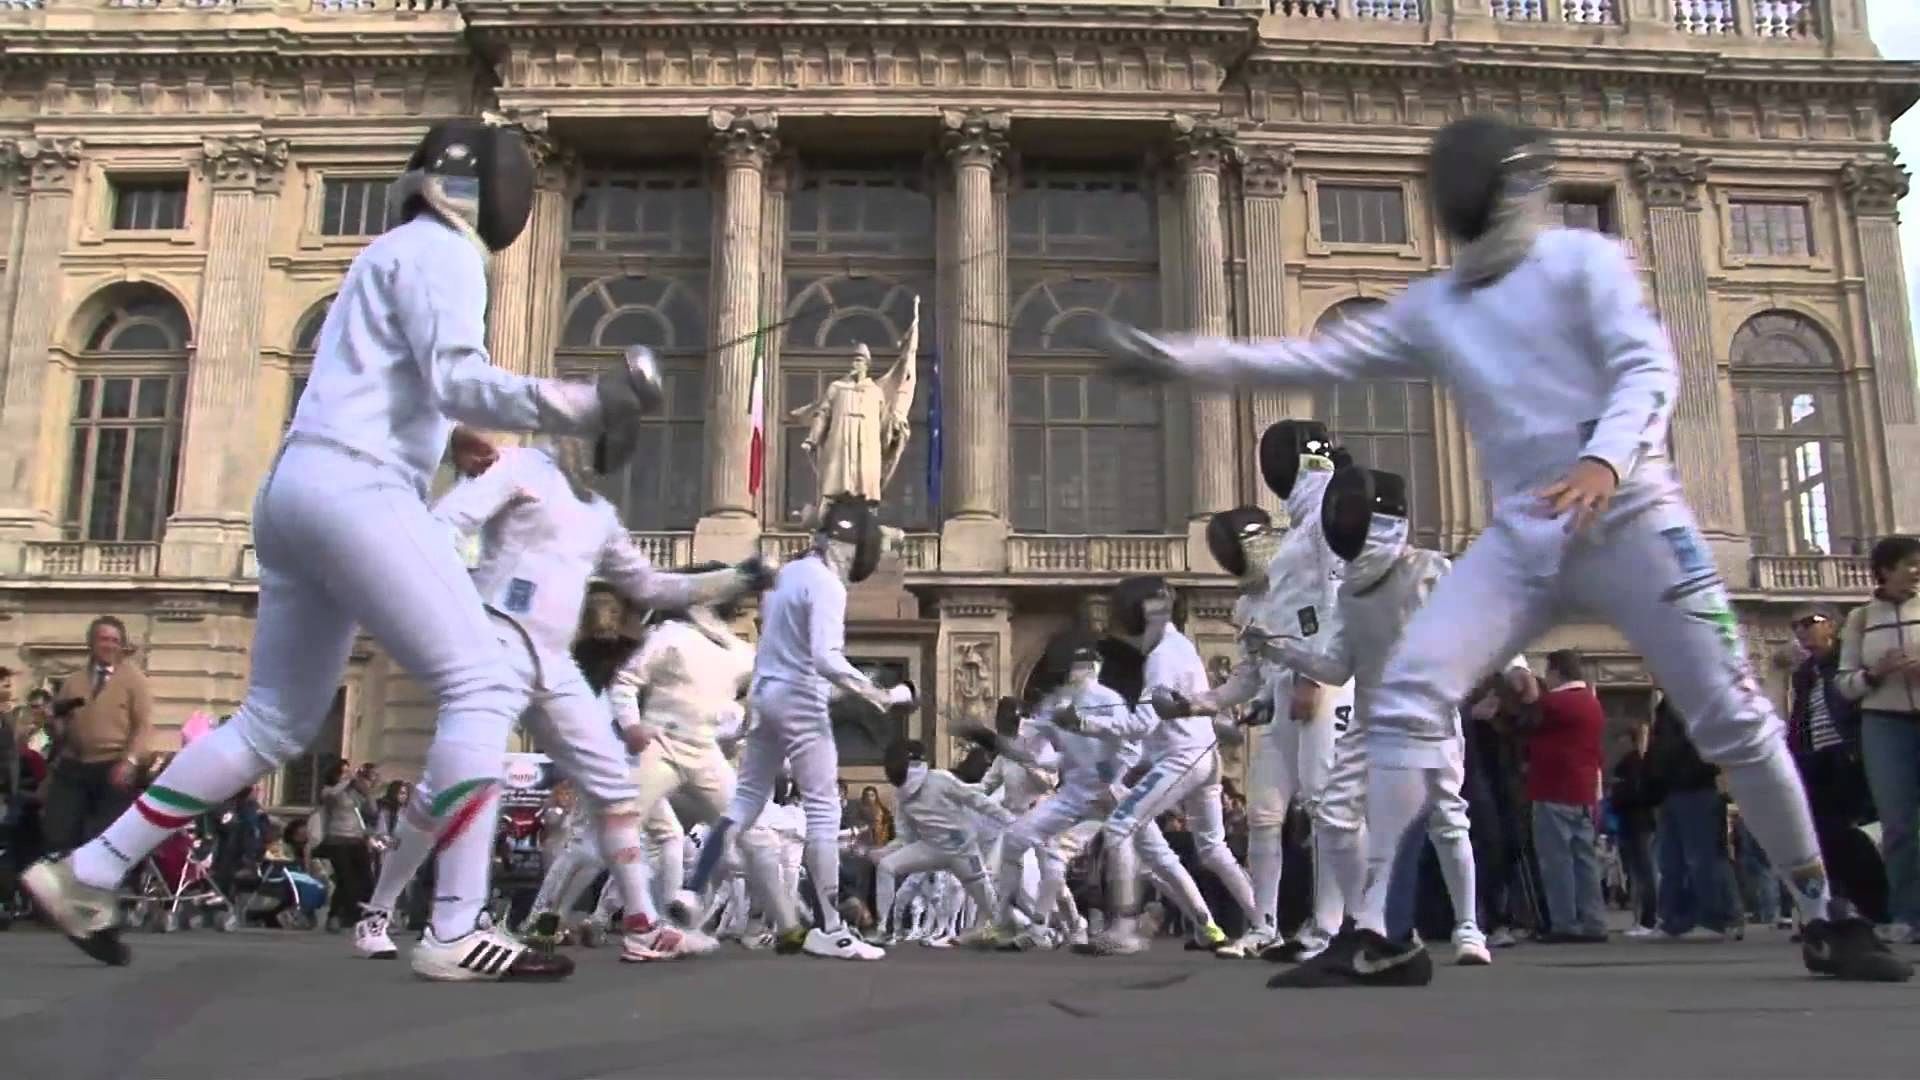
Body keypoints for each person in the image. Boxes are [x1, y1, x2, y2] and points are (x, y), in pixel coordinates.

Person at [1091, 113, 1908, 983]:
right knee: (1407, 694)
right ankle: (1381, 933)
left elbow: (1647, 368)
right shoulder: (1439, 305)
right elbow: (1310, 357)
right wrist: (1174, 358)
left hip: (1636, 519)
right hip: (1524, 536)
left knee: (1733, 716)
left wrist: (1605, 458)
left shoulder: (1583, 263)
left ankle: (1825, 910)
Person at [25, 119, 670, 980]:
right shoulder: (447, 251)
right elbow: (458, 378)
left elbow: (398, 388)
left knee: (272, 721)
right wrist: (589, 404)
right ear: (486, 189)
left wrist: (456, 441)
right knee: (482, 680)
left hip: (296, 489)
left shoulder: (382, 253)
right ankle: (455, 928)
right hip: (361, 491)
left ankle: (89, 871)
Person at [357, 438, 768, 968]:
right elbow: (445, 525)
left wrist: (737, 578)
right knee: (443, 792)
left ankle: (641, 926)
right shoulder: (520, 467)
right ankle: (380, 911)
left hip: (551, 662)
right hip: (494, 642)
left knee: (614, 784)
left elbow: (650, 585)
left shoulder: (600, 515)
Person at [1203, 467, 1487, 986]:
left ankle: (1468, 929)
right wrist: (1279, 649)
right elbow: (1335, 666)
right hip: (1368, 721)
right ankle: (1368, 929)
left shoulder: (1428, 570)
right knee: (1333, 816)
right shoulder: (1352, 592)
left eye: (1354, 515)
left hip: (1423, 716)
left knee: (1447, 818)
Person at [680, 495, 909, 961]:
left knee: (744, 801)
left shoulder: (788, 575)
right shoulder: (827, 585)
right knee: (823, 809)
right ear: (850, 547)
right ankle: (831, 929)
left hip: (766, 696)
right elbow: (825, 658)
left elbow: (789, 652)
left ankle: (692, 889)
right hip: (800, 699)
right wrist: (881, 695)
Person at [1169, 420, 1355, 960]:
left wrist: (1312, 679)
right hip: (1284, 710)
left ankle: (1330, 925)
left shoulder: (1315, 539)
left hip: (1323, 689)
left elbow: (1335, 608)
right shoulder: (1250, 603)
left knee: (1324, 806)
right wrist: (1200, 703)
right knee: (1263, 815)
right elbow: (1250, 674)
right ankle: (1265, 925)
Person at [1061, 577, 1256, 954]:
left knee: (1120, 826)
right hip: (1202, 756)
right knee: (1212, 849)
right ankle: (1263, 923)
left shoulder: (1162, 658)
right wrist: (1143, 761)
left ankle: (1124, 930)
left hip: (1183, 757)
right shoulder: (1180, 646)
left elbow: (1143, 724)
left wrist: (1085, 723)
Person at [1835, 535, 1920, 944]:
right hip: (1884, 725)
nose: (1917, 571)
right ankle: (1906, 915)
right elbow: (1843, 684)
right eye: (1910, 564)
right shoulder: (1861, 618)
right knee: (1898, 825)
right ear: (1885, 570)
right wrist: (1876, 674)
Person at [871, 740, 1012, 947]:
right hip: (931, 849)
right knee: (886, 866)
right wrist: (885, 850)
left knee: (985, 896)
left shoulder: (939, 779)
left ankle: (1005, 930)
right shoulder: (901, 796)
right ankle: (883, 929)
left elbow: (976, 800)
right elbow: (905, 837)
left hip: (963, 851)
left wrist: (1010, 820)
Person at [40, 617, 154, 855]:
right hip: (74, 765)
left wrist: (129, 762)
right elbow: (62, 731)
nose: (109, 645)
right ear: (91, 642)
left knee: (104, 836)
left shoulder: (135, 680)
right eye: (104, 639)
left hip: (113, 765)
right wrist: (51, 721)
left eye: (115, 640)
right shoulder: (73, 682)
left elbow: (143, 726)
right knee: (58, 832)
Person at [1519, 650, 1610, 943]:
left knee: (1556, 861)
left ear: (1557, 672)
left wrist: (1528, 689)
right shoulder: (1592, 704)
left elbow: (1526, 720)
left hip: (1552, 790)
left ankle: (1565, 922)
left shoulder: (1555, 704)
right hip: (1584, 792)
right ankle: (1594, 921)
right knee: (1585, 860)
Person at [314, 761, 380, 933]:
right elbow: (332, 795)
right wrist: (348, 781)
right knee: (345, 879)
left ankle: (360, 916)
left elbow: (372, 810)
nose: (347, 775)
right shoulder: (328, 791)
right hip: (337, 840)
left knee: (366, 879)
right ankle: (334, 916)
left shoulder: (354, 793)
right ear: (335, 774)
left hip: (357, 839)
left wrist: (367, 791)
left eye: (348, 772)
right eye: (343, 772)